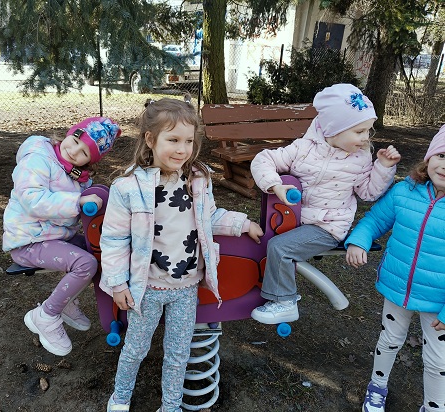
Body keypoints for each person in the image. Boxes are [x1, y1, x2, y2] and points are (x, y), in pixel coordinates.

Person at [99, 95, 264, 412]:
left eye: (188, 141)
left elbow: (209, 217)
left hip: (186, 288)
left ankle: (171, 405)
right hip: (147, 288)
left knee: (178, 353)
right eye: (173, 140)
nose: (182, 149)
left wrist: (241, 224)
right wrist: (118, 283)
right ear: (151, 139)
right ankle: (120, 396)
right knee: (135, 348)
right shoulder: (129, 187)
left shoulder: (197, 179)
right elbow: (115, 238)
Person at [249, 83, 401, 325]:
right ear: (333, 129)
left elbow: (368, 193)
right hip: (295, 221)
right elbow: (262, 160)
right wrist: (274, 185)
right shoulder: (303, 149)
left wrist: (383, 167)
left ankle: (285, 303)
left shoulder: (360, 158)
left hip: (328, 226)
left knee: (280, 248)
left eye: (367, 131)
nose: (365, 138)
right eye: (359, 131)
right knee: (257, 240)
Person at [345, 125, 445, 412]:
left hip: (439, 302)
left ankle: (434, 406)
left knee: (438, 360)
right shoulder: (405, 191)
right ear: (429, 157)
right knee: (389, 340)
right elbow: (375, 220)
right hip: (397, 287)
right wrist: (359, 241)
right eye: (441, 155)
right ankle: (377, 387)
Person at [2, 117, 121, 356]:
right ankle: (46, 315)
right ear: (69, 133)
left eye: (84, 152)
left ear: (90, 161)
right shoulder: (38, 158)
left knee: (97, 253)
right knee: (85, 263)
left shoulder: (77, 175)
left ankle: (66, 302)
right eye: (76, 141)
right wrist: (78, 201)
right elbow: (33, 200)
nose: (74, 151)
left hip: (52, 237)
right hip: (28, 241)